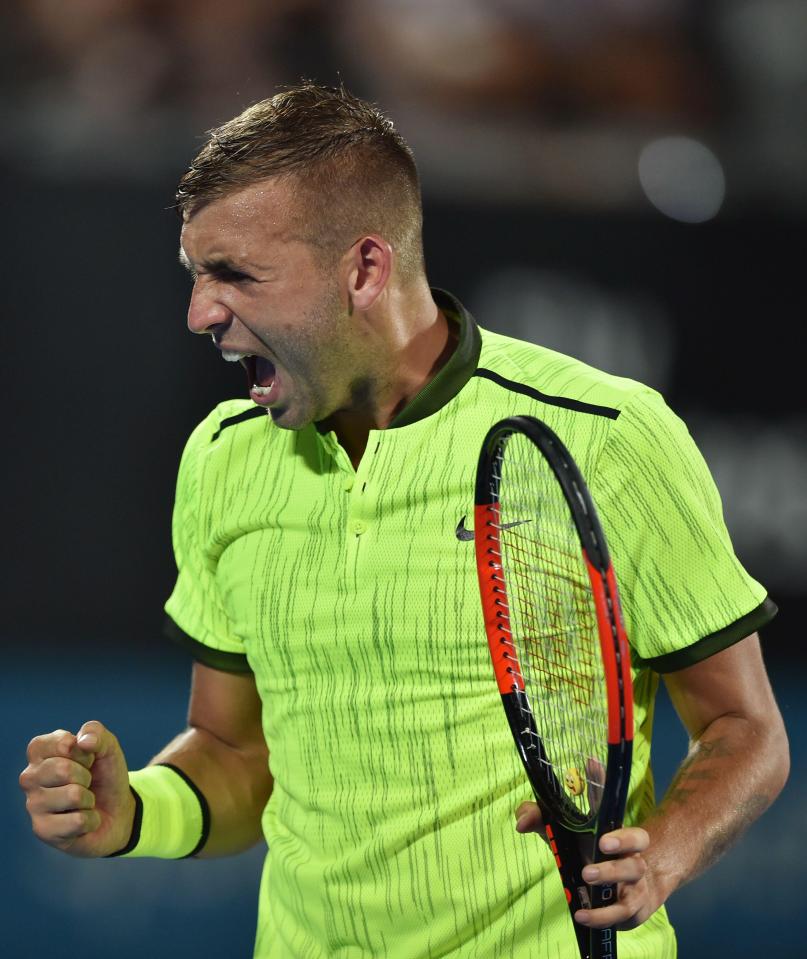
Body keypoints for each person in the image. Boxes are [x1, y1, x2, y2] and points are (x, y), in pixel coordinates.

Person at [19, 83, 788, 958]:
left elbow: (744, 730)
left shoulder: (606, 435)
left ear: (365, 268)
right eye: (195, 274)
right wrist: (134, 813)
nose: (201, 312)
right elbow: (237, 752)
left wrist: (665, 852)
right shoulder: (221, 456)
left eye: (235, 274)